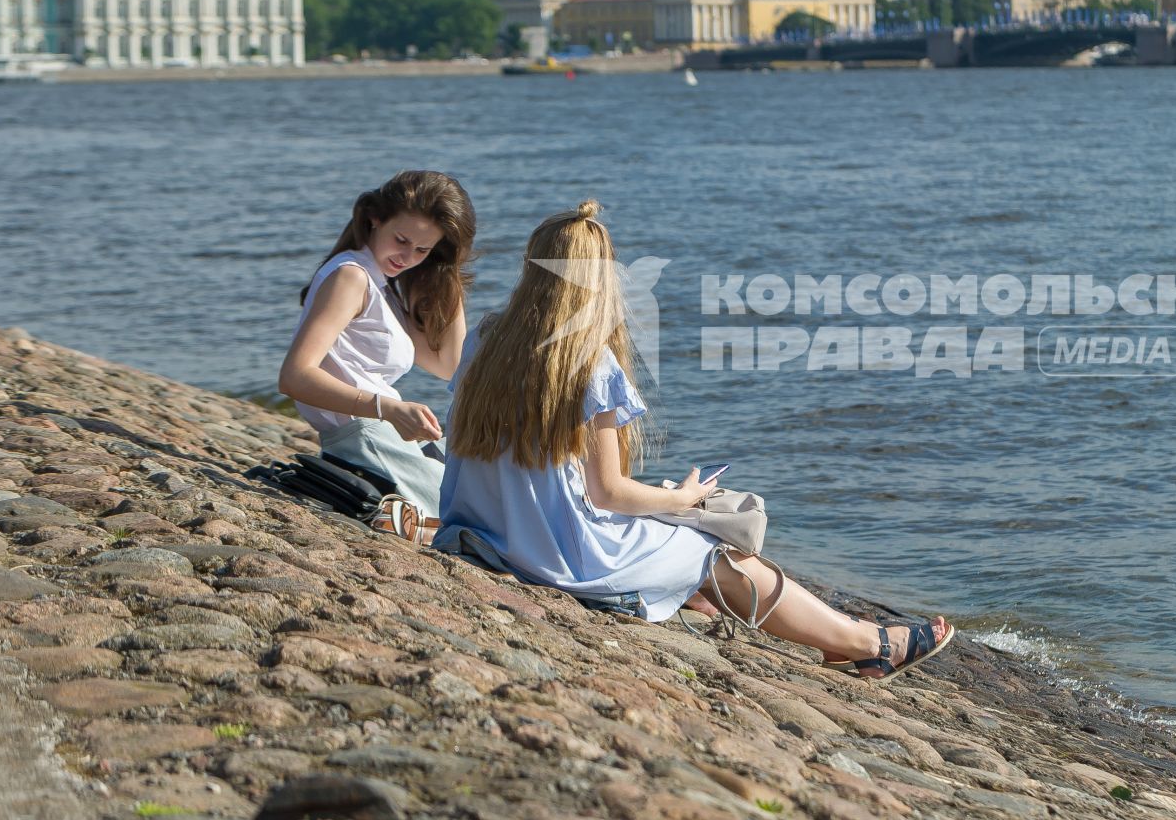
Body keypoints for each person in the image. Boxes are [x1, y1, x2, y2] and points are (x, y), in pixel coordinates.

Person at [438, 200, 953, 681]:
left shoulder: (485, 338)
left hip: (486, 534)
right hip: (552, 556)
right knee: (710, 546)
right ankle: (869, 642)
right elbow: (608, 493)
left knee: (669, 531)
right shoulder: (588, 362)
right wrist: (683, 498)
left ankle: (829, 633)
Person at [279, 170, 476, 518]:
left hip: (382, 432)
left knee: (486, 483)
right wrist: (388, 409)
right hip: (365, 437)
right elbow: (295, 376)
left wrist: (448, 272)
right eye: (401, 240)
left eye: (422, 249)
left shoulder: (383, 284)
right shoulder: (352, 277)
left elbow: (448, 364)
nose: (407, 256)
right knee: (468, 514)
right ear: (375, 220)